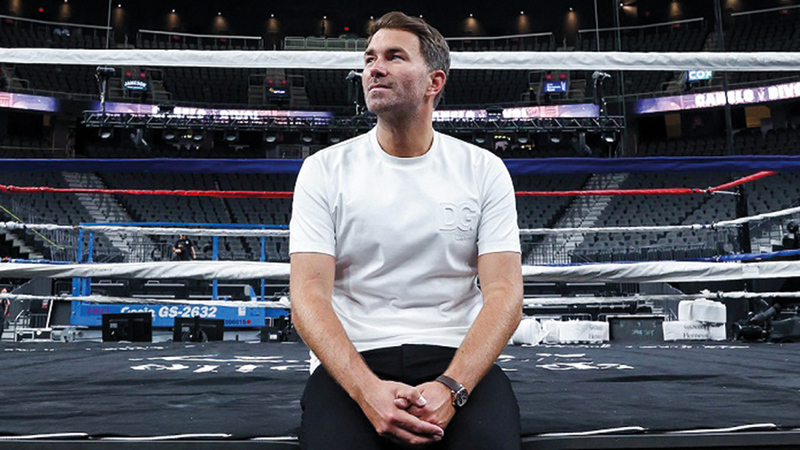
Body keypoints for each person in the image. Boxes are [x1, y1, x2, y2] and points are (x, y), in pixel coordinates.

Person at [289, 11, 522, 450]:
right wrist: (366, 391)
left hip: (455, 355)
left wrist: (453, 386)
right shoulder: (324, 170)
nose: (374, 68)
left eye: (394, 57)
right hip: (355, 359)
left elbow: (505, 293)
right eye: (369, 58)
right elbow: (307, 296)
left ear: (434, 82)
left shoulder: (483, 170)